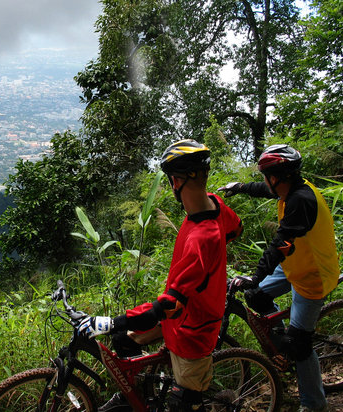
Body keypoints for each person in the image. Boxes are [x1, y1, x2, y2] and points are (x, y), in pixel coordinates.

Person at [78, 139, 243, 412]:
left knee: (184, 405)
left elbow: (164, 307)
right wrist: (209, 277)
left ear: (176, 183)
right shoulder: (214, 204)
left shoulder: (202, 240)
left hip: (192, 334)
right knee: (124, 340)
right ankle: (139, 399)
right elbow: (237, 230)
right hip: (181, 318)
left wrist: (107, 322)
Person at [218, 144, 339, 412]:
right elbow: (265, 190)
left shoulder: (301, 201)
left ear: (278, 177)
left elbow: (282, 243)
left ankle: (314, 404)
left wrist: (256, 274)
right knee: (256, 295)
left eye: (266, 176)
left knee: (299, 345)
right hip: (295, 263)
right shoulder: (290, 188)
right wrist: (239, 187)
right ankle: (283, 342)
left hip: (312, 276)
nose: (264, 181)